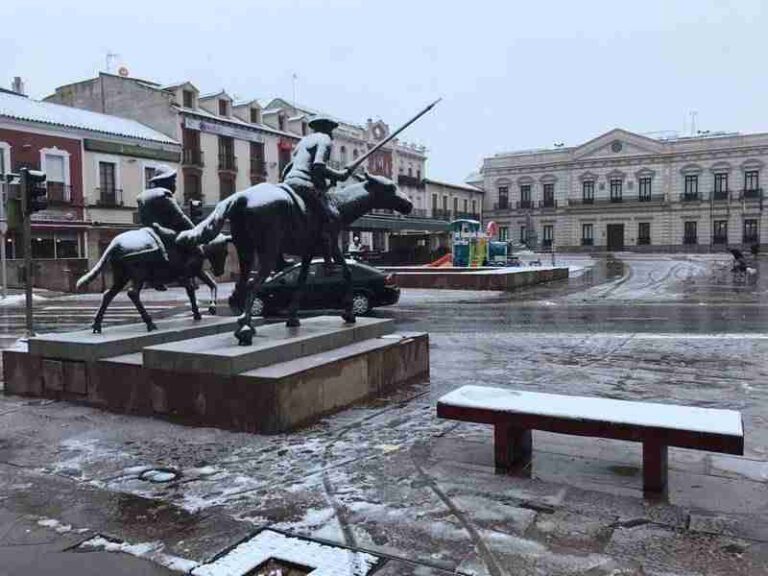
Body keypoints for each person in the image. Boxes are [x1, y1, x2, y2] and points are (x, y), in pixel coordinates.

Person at [282, 116, 352, 225]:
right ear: (327, 129)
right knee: (330, 218)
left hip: (288, 182)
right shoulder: (324, 139)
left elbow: (288, 167)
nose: (332, 135)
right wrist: (340, 175)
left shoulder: (302, 141)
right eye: (331, 130)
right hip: (303, 184)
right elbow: (318, 165)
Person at [135, 166, 196, 290]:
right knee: (188, 247)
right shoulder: (163, 194)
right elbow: (180, 216)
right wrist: (195, 230)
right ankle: (182, 276)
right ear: (166, 181)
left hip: (146, 230)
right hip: (160, 230)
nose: (174, 184)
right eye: (173, 181)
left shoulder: (142, 196)